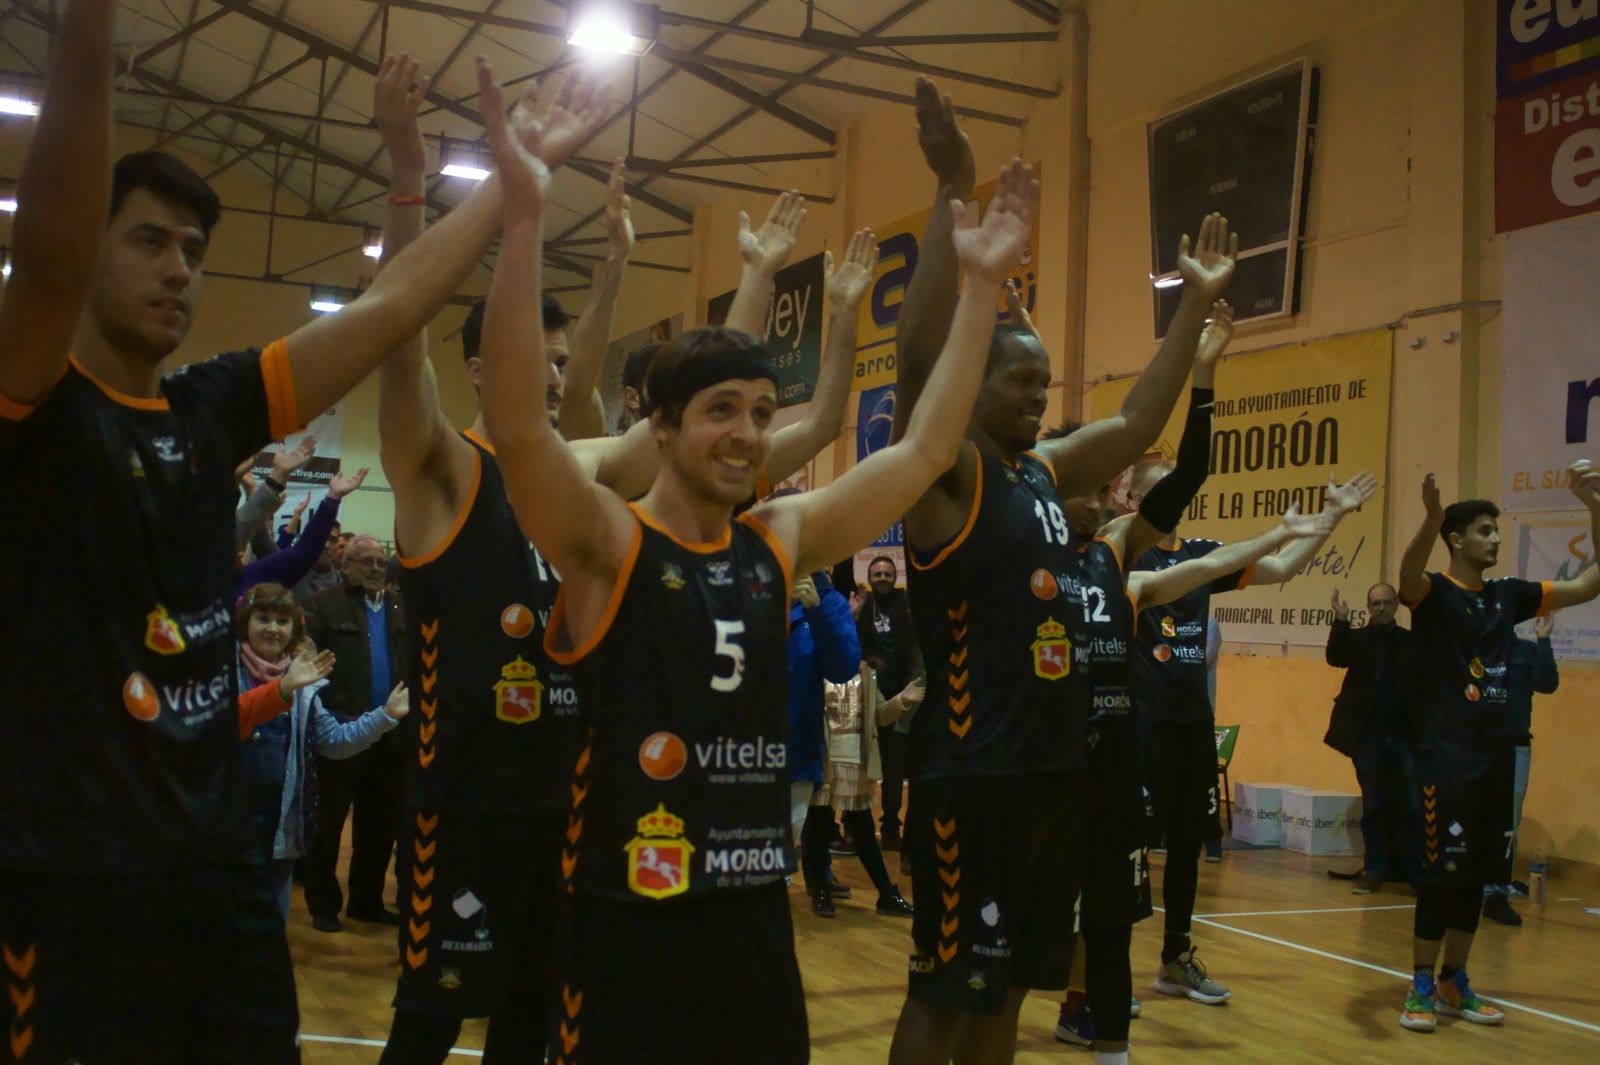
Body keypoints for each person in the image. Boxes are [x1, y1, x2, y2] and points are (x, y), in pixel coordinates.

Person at [476, 47, 1038, 1054]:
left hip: (748, 919)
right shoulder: (608, 543)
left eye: (759, 412)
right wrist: (524, 218)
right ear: (659, 428)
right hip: (624, 914)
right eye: (719, 411)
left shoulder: (776, 541)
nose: (744, 431)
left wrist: (983, 288)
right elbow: (519, 428)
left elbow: (922, 450)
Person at [370, 59, 859, 1063]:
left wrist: (750, 274)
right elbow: (397, 337)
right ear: (485, 366)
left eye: (560, 364)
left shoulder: (589, 476)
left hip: (572, 805)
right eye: (536, 362)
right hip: (466, 801)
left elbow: (692, 427)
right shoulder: (441, 470)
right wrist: (410, 176)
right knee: (426, 1029)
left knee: (532, 1030)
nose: (555, 378)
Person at [886, 74, 1238, 1065]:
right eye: (1022, 381)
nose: (1041, 399)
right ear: (979, 380)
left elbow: (1135, 424)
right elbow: (917, 366)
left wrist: (1192, 311)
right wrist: (952, 195)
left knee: (1008, 989)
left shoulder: (1041, 473)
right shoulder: (944, 475)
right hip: (971, 775)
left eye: (1046, 383)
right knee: (945, 987)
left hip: (1055, 777)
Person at [1395, 467, 1600, 1032]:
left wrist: (1593, 508)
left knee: (1477, 877)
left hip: (1496, 758)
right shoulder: (1434, 594)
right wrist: (1429, 521)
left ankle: (1453, 981)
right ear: (1458, 540)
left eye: (1496, 531)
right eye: (1485, 530)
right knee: (1441, 875)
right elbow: (1407, 575)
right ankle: (1418, 981)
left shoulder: (1509, 597)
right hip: (1446, 758)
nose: (1495, 538)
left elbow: (1588, 585)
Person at [236, 582, 409, 916]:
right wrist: (281, 690)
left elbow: (333, 742)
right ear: (246, 622)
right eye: (263, 618)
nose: (273, 628)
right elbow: (221, 726)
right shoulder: (223, 670)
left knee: (270, 931)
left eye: (282, 621)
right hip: (226, 829)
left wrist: (384, 716)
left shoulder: (304, 681)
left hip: (278, 831)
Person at [302, 535, 409, 932]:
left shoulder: (402, 608)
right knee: (328, 825)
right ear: (346, 564)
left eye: (381, 562)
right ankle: (324, 905)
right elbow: (307, 659)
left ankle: (367, 901)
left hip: (392, 735)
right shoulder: (321, 605)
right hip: (340, 729)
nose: (376, 568)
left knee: (380, 825)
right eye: (366, 561)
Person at [1324, 582, 1418, 894]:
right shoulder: (1359, 640)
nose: (1381, 608)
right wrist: (1341, 620)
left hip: (1404, 737)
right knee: (1374, 805)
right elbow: (1334, 657)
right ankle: (1375, 871)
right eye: (1375, 603)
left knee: (1411, 806)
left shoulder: (1409, 642)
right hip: (1368, 738)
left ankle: (1413, 874)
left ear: (1396, 607)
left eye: (1387, 603)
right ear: (1368, 608)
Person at [811, 662, 921, 917]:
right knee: (818, 829)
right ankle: (821, 890)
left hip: (856, 765)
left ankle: (886, 894)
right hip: (825, 761)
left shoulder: (865, 673)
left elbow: (880, 714)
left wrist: (901, 700)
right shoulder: (817, 667)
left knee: (864, 832)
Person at [783, 569, 863, 915]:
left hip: (796, 753)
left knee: (776, 865)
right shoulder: (747, 582)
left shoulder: (828, 601)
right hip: (734, 750)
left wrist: (817, 612)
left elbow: (844, 669)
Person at [1482, 613, 1559, 926]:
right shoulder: (1474, 651)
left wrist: (1543, 640)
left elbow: (1547, 683)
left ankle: (1497, 891)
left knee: (1507, 820)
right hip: (1476, 747)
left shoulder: (1526, 651)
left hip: (1514, 747)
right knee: (1474, 816)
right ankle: (1472, 886)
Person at [857, 554, 916, 851]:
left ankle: (891, 826)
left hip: (900, 699)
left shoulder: (905, 604)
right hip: (866, 700)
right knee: (864, 770)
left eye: (887, 574)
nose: (882, 578)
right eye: (877, 574)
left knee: (894, 770)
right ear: (869, 577)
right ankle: (860, 829)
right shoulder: (861, 605)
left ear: (895, 577)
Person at [238, 466, 367, 598]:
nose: (327, 545)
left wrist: (333, 499)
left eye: (333, 540)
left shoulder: (246, 577)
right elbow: (263, 543)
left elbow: (304, 552)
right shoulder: (296, 575)